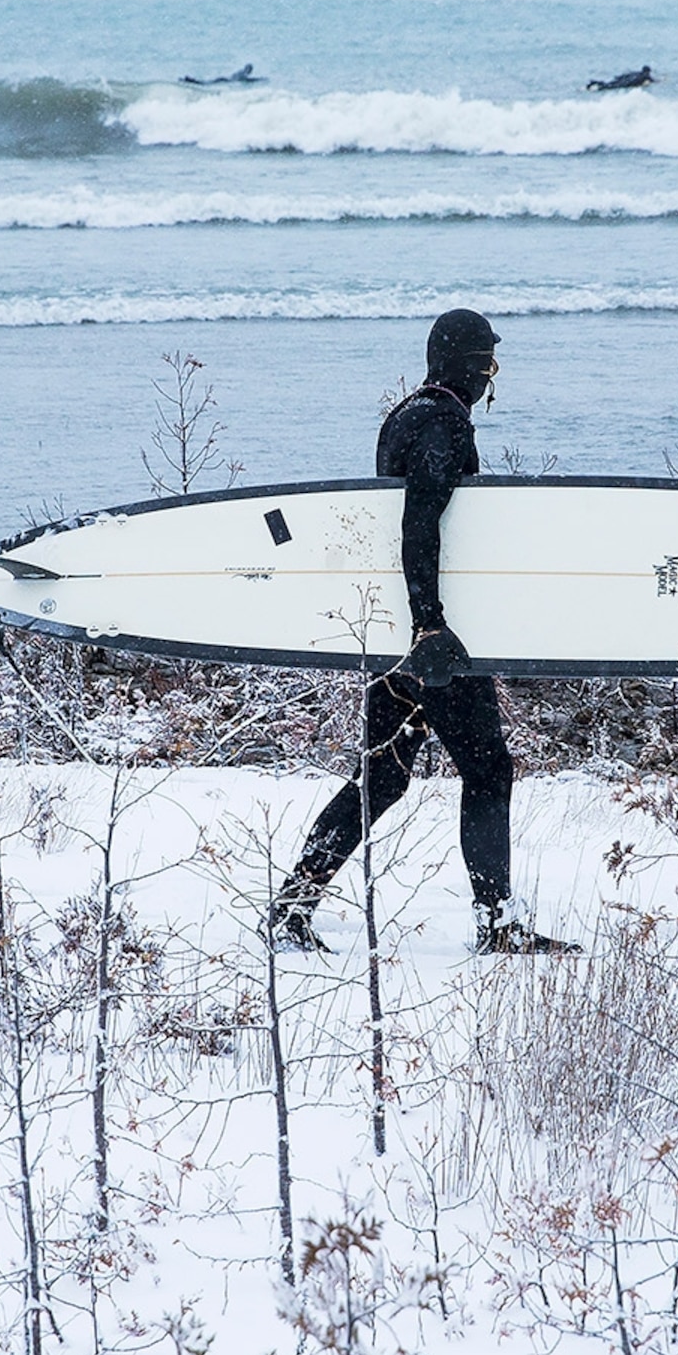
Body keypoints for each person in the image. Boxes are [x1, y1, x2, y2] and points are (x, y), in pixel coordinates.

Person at [271, 309, 577, 955]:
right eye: (485, 365)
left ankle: (294, 904)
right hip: (428, 640)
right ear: (463, 364)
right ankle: (497, 925)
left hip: (390, 636)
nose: (488, 378)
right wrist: (429, 625)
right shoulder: (442, 425)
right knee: (490, 771)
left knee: (380, 778)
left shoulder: (404, 416)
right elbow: (418, 522)